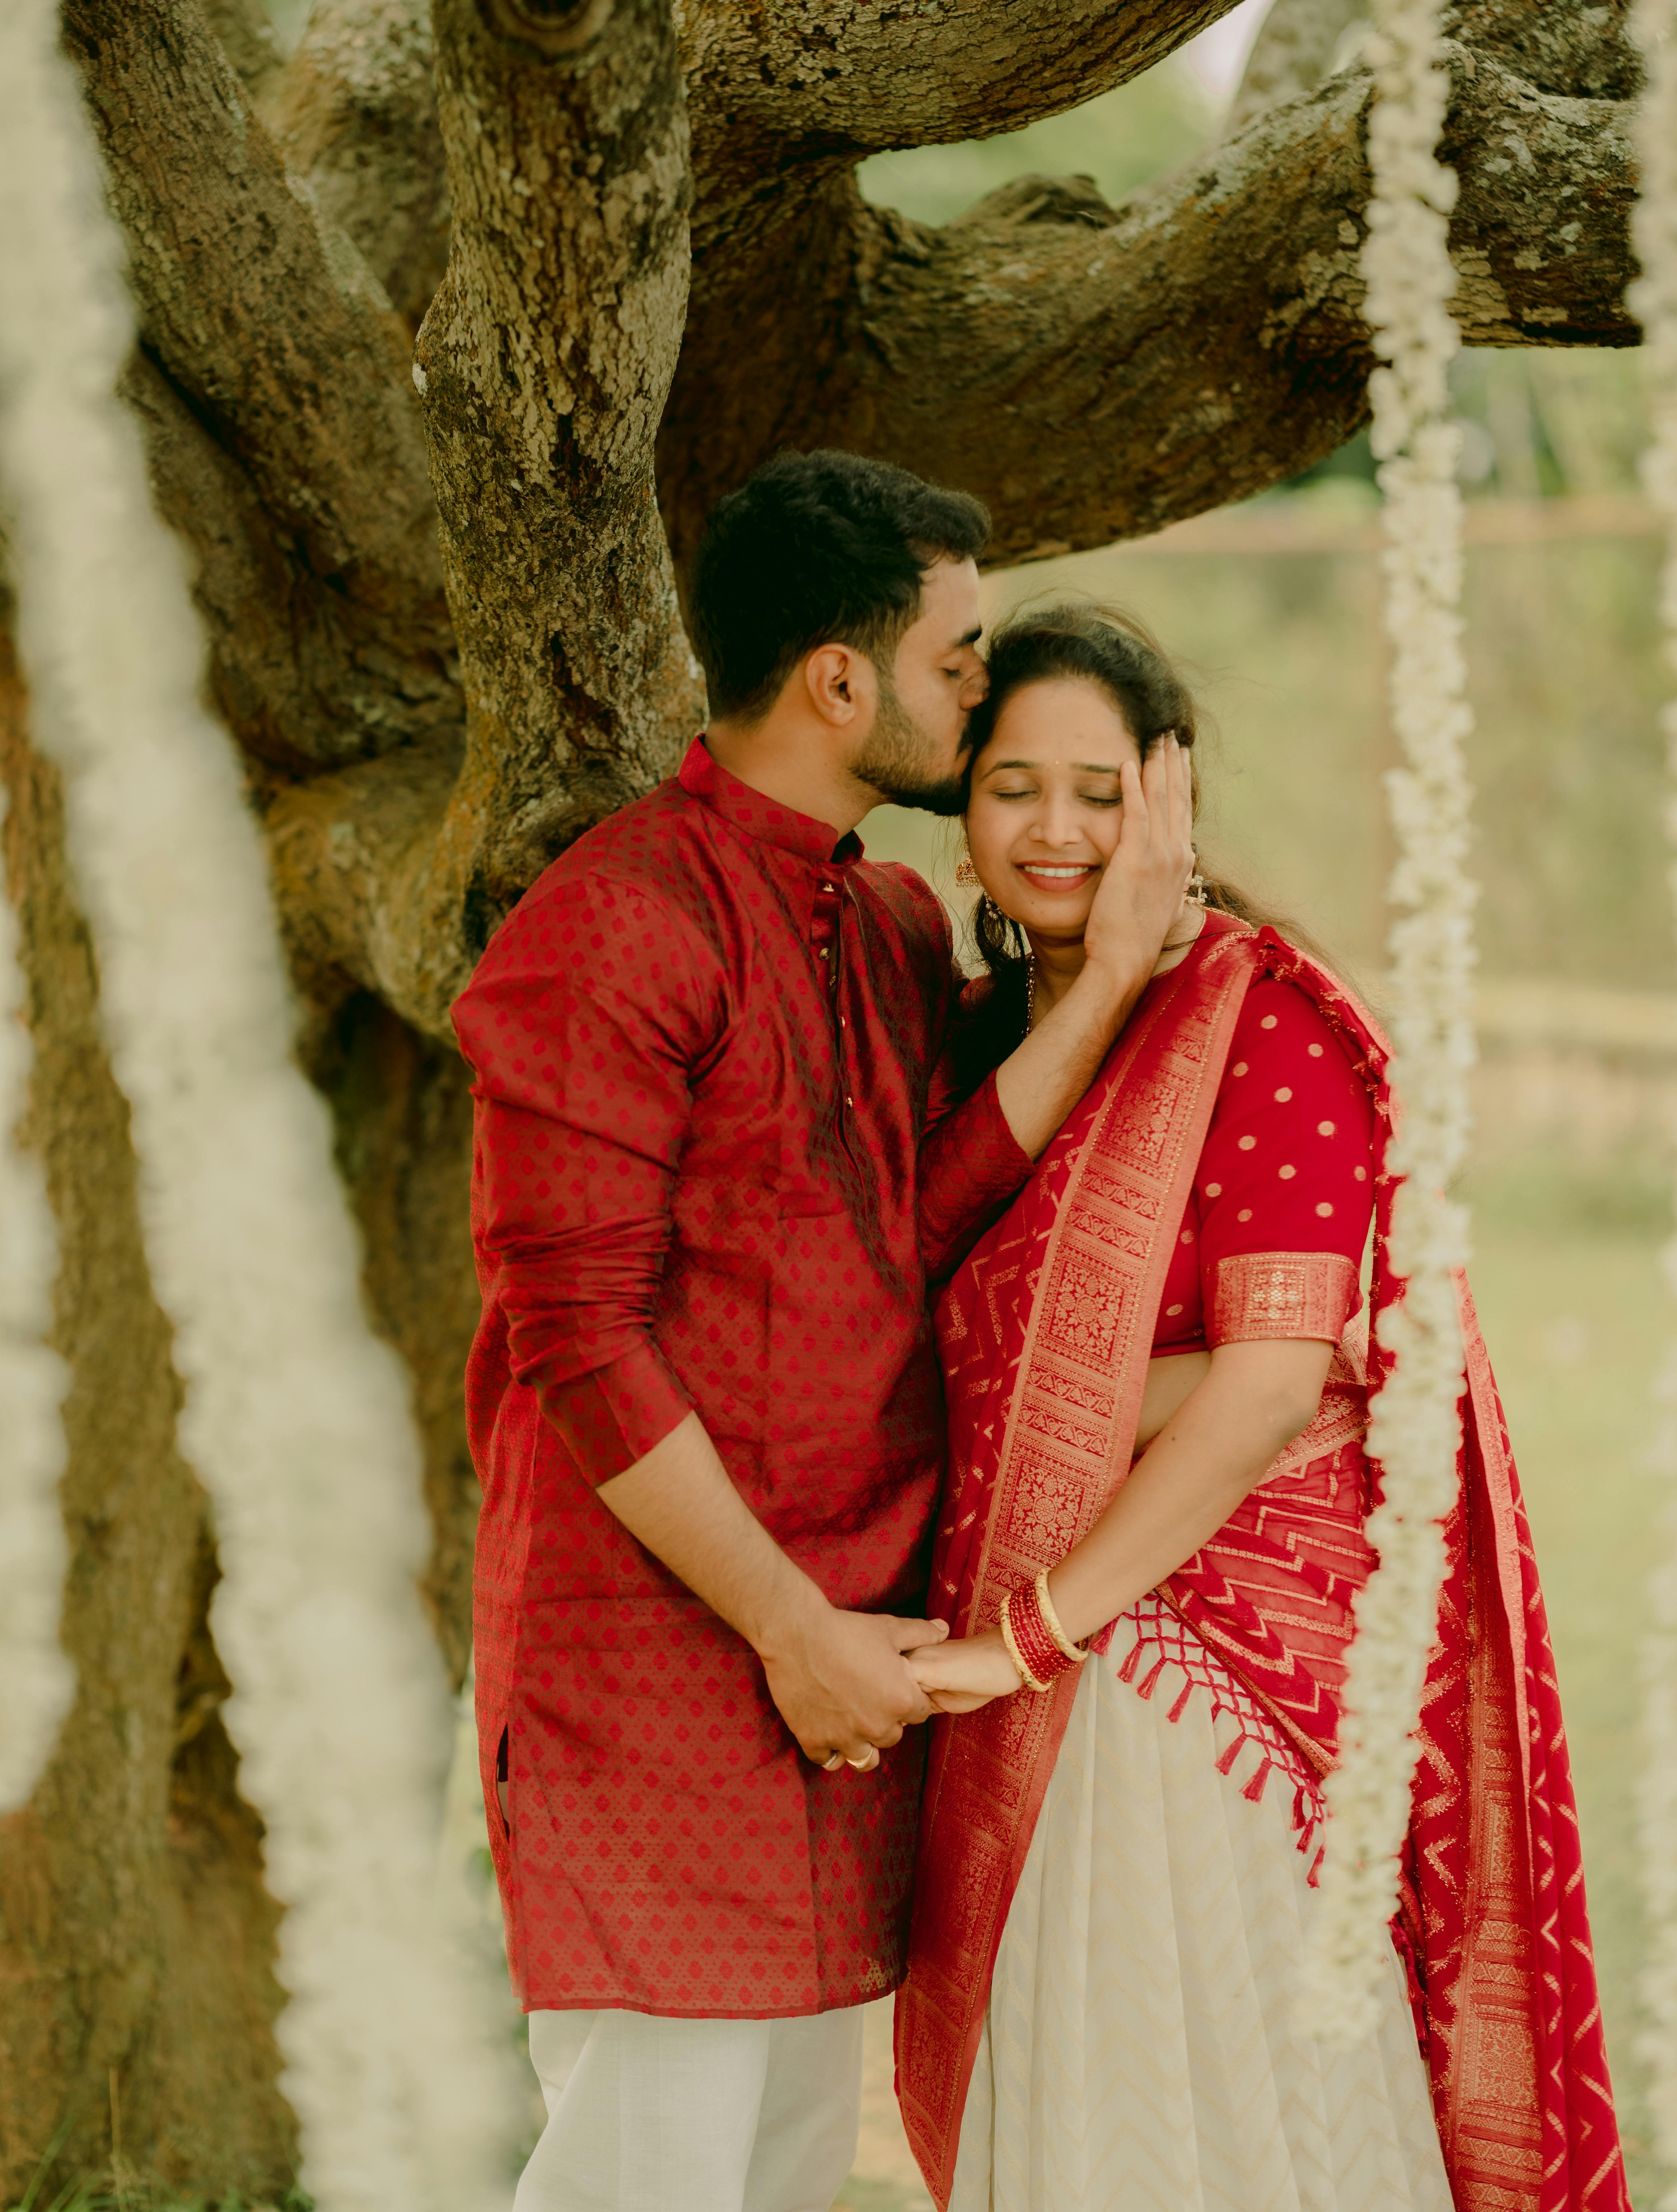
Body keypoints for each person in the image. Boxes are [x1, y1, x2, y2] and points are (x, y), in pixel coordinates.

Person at [451, 455, 1193, 2212]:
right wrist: (794, 1633)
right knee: (649, 2172)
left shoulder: (882, 916)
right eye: (960, 661)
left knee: (779, 2175)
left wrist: (1098, 988)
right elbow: (577, 1337)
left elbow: (909, 1219)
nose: (978, 693)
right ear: (840, 680)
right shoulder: (612, 927)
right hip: (662, 1667)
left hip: (842, 1665)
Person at [897, 601, 1630, 2212]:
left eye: (1100, 789)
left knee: (1209, 2119)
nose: (1058, 829)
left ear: (1172, 797)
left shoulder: (1258, 1019)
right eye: (1013, 786)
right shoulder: (975, 1042)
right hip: (1034, 1673)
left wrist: (1022, 1638)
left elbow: (1265, 1397)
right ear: (961, 812)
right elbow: (929, 1322)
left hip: (1183, 1684)